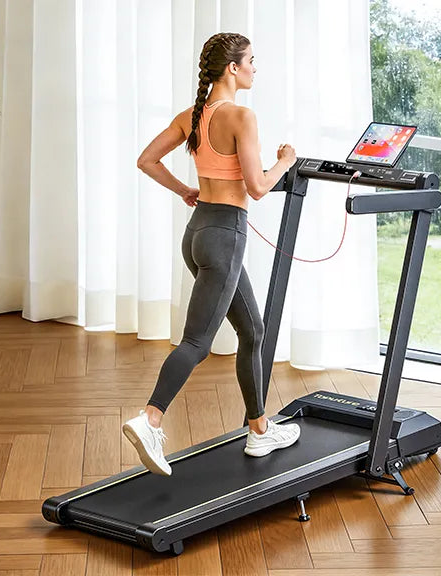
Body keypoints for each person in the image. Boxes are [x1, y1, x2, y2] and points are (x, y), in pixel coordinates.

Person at [123, 32, 301, 476]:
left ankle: (260, 430)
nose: (255, 68)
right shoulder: (242, 116)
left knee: (254, 331)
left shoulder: (193, 115)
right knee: (197, 342)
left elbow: (146, 159)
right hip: (225, 237)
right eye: (251, 61)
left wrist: (187, 189)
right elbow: (258, 187)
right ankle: (150, 419)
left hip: (199, 231)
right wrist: (286, 160)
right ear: (232, 69)